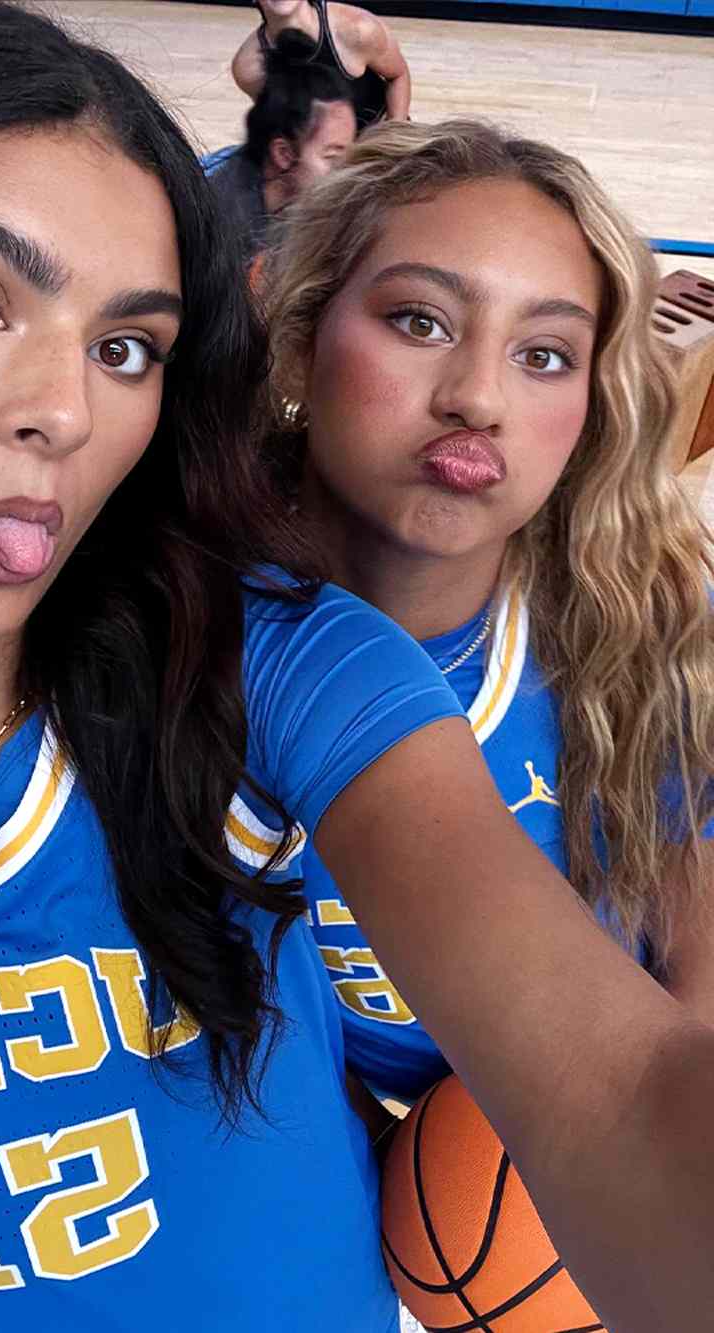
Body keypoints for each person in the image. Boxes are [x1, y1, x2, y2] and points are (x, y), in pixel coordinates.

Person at [0, 3, 714, 1330]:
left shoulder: (277, 658)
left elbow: (619, 1092)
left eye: (124, 347)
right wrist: (302, 153)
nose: (61, 407)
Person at [260, 119, 714, 1107]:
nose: (476, 397)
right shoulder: (175, 619)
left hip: (578, 1169)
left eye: (542, 354)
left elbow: (700, 995)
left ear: (592, 406)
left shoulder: (649, 621)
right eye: (419, 321)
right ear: (297, 347)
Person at [209, 48, 356, 257]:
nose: (347, 170)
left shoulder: (304, 199)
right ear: (284, 155)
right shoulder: (223, 225)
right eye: (332, 158)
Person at [233, 0, 409, 130]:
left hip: (377, 140)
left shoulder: (358, 29)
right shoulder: (249, 68)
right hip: (320, 157)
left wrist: (393, 141)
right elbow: (281, 122)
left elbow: (398, 76)